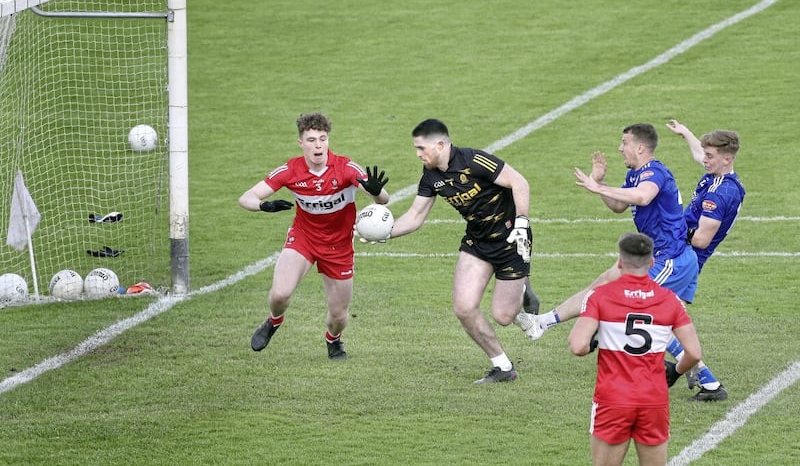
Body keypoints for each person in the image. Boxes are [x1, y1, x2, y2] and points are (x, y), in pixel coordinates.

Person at [517, 122, 727, 400]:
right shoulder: (636, 175)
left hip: (670, 261)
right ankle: (542, 323)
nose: (619, 148)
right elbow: (619, 206)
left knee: (638, 313)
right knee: (603, 285)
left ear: (640, 147)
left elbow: (642, 196)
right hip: (656, 257)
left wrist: (596, 187)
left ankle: (704, 379)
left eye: (624, 142)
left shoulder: (654, 173)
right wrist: (601, 184)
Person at [379, 118, 535, 384]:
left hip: (511, 239)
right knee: (464, 308)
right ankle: (502, 366)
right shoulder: (431, 177)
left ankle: (522, 290)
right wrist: (384, 232)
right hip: (477, 243)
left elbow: (519, 183)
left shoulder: (474, 160)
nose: (417, 154)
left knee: (503, 316)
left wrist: (522, 221)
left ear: (440, 144)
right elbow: (415, 216)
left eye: (421, 148)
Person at [239, 112, 390, 360]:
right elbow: (246, 198)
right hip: (304, 239)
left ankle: (333, 340)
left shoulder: (346, 168)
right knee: (280, 294)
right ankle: (274, 321)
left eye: (322, 138)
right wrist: (263, 206)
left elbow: (384, 199)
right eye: (311, 140)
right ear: (301, 143)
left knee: (339, 316)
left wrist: (376, 193)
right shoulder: (290, 170)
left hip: (339, 246)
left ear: (328, 140)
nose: (318, 145)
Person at [568, 232, 702, 466]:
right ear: (651, 262)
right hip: (653, 398)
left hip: (613, 398)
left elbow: (578, 346)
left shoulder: (600, 296)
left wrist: (592, 344)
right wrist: (677, 371)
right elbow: (694, 353)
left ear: (620, 262)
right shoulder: (669, 299)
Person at [665, 120, 746, 273]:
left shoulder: (719, 193)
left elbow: (701, 240)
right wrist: (685, 132)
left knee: (638, 292)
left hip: (682, 261)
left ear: (727, 159)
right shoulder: (719, 174)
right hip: (678, 254)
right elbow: (699, 153)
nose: (704, 159)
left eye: (709, 156)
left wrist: (669, 226)